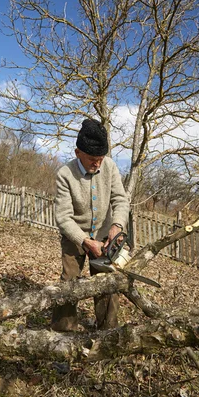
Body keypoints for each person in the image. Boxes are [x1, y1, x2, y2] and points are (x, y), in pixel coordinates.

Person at [51, 118, 129, 331]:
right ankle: (62, 334)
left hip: (104, 236)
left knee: (106, 284)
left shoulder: (110, 167)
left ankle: (108, 333)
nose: (97, 164)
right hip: (74, 234)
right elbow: (63, 218)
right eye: (92, 159)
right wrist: (85, 241)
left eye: (101, 159)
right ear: (78, 153)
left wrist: (117, 225)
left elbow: (121, 200)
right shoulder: (65, 174)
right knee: (69, 283)